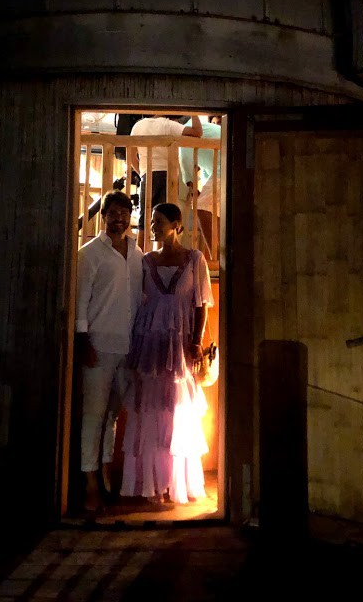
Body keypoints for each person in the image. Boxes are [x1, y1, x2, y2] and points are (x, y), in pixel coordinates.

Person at [120, 202, 214, 504]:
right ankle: (152, 484)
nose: (153, 226)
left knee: (176, 411)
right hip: (149, 343)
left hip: (180, 344)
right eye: (151, 221)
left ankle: (174, 483)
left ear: (176, 224)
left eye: (159, 221)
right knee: (150, 410)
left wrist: (196, 342)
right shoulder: (146, 261)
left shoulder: (194, 259)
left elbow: (201, 304)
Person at [75, 189, 144, 513]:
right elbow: (80, 302)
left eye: (124, 214)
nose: (119, 219)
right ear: (103, 216)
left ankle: (104, 472)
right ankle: (89, 483)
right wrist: (82, 341)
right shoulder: (89, 254)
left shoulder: (137, 253)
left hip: (128, 347)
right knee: (93, 416)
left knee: (112, 416)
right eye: (112, 213)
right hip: (98, 346)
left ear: (130, 218)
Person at [130, 114, 202, 250]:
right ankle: (160, 253)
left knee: (143, 220)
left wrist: (143, 173)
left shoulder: (138, 126)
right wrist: (194, 112)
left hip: (147, 175)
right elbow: (197, 132)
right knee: (165, 220)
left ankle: (139, 255)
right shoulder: (168, 125)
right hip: (168, 176)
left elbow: (132, 156)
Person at [179, 115, 221, 257]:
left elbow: (186, 162)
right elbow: (202, 168)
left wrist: (192, 188)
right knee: (217, 213)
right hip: (225, 165)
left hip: (223, 167)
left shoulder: (186, 133)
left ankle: (215, 257)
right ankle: (222, 256)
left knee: (201, 207)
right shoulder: (205, 128)